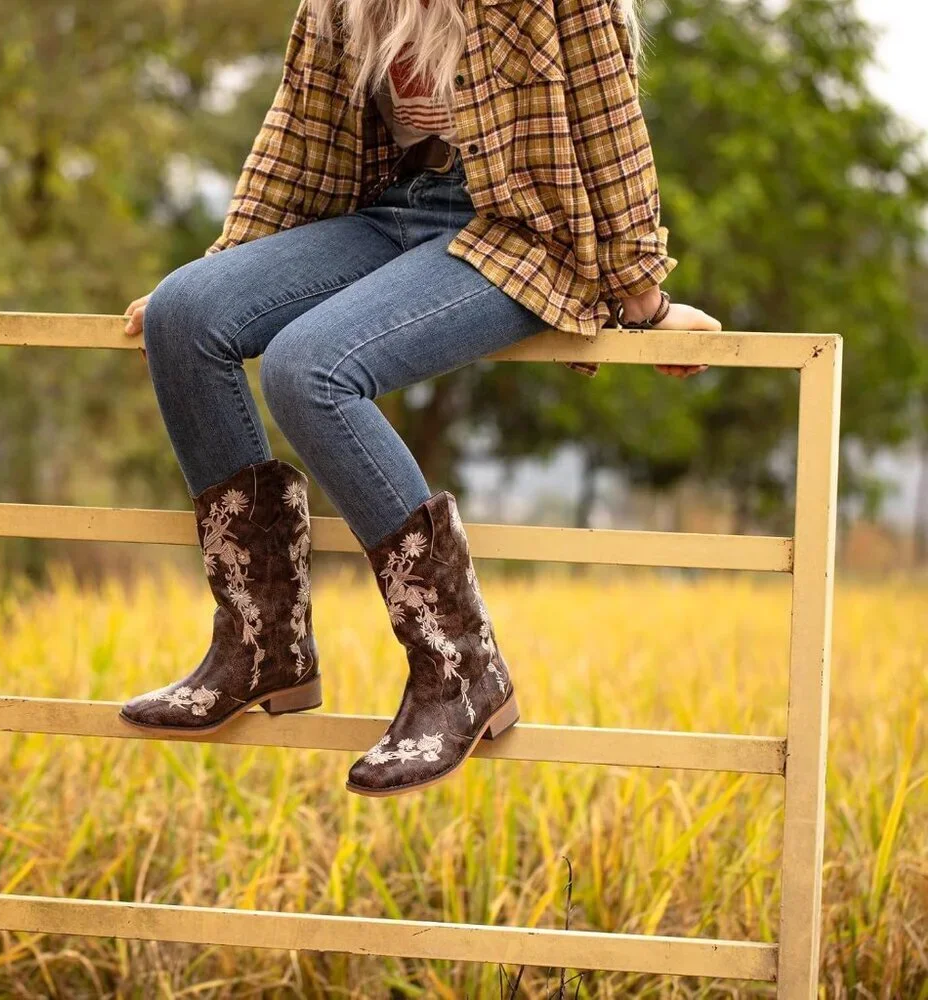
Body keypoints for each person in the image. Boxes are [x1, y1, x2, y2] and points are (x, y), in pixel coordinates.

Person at [117, 0, 721, 797]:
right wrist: (220, 276)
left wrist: (643, 298)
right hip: (388, 212)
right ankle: (262, 644)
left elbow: (610, 130)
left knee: (310, 369)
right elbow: (298, 136)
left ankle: (458, 670)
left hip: (515, 231)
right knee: (183, 315)